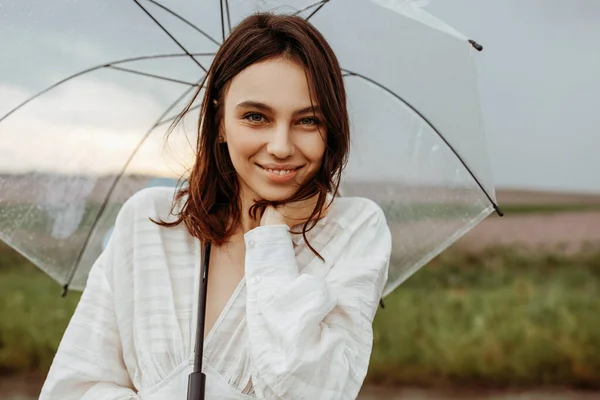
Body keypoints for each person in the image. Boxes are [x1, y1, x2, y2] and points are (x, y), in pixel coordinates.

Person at [39, 12, 391, 400]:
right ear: (220, 121)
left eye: (307, 121)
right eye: (256, 116)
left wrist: (272, 239)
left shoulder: (353, 230)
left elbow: (313, 390)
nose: (280, 145)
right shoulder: (149, 222)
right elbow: (74, 388)